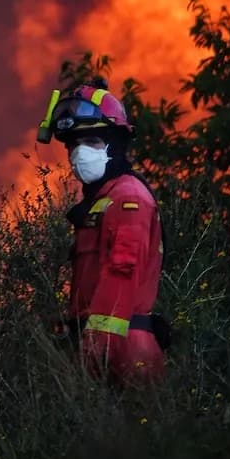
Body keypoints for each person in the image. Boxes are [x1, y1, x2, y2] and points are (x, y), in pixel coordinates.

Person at [36, 79, 169, 385]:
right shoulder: (103, 200)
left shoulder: (128, 199)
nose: (79, 154)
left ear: (116, 144)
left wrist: (94, 350)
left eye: (92, 142)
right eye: (73, 145)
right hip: (105, 347)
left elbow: (121, 274)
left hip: (122, 352)